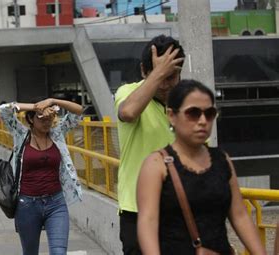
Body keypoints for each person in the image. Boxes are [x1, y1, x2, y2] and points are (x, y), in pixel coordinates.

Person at [137, 80, 266, 254]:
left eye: (210, 113)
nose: (203, 121)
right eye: (193, 113)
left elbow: (239, 215)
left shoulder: (222, 160)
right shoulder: (156, 165)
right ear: (171, 116)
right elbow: (148, 222)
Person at [114, 34, 185, 255]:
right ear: (145, 71)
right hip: (136, 211)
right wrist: (158, 73)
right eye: (159, 76)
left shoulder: (188, 102)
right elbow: (128, 112)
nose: (165, 85)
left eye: (171, 77)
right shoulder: (127, 93)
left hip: (179, 212)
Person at [0, 98, 83, 255]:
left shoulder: (57, 133)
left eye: (50, 118)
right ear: (31, 119)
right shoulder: (20, 134)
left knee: (59, 252)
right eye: (42, 118)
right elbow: (3, 110)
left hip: (56, 203)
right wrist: (35, 107)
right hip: (27, 205)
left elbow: (78, 111)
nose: (47, 122)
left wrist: (52, 101)